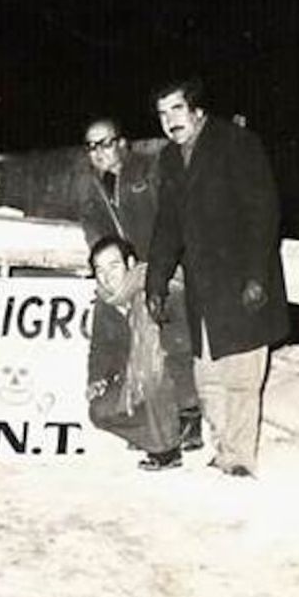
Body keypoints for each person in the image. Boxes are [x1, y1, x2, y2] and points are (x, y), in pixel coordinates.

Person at [146, 76, 289, 478]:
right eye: (161, 114)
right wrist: (155, 282)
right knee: (207, 374)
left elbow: (264, 212)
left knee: (241, 373)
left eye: (176, 109)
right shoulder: (171, 159)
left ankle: (239, 457)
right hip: (203, 286)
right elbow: (167, 226)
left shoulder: (237, 143)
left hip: (242, 280)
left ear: (196, 109)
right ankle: (225, 445)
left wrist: (256, 276)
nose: (169, 121)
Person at [77, 118, 202, 451]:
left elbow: (175, 214)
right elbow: (99, 240)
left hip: (163, 269)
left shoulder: (148, 171)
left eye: (105, 143)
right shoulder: (94, 191)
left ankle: (189, 412)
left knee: (172, 336)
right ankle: (157, 427)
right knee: (135, 342)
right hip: (130, 277)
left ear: (121, 143)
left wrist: (165, 266)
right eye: (91, 146)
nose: (98, 152)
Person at [87, 235, 190, 470]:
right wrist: (97, 378)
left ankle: (167, 450)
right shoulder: (105, 302)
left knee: (155, 370)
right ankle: (161, 433)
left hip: (179, 377)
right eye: (99, 269)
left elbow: (183, 347)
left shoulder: (162, 289)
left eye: (114, 266)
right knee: (99, 411)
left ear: (131, 263)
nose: (107, 276)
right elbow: (101, 348)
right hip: (136, 383)